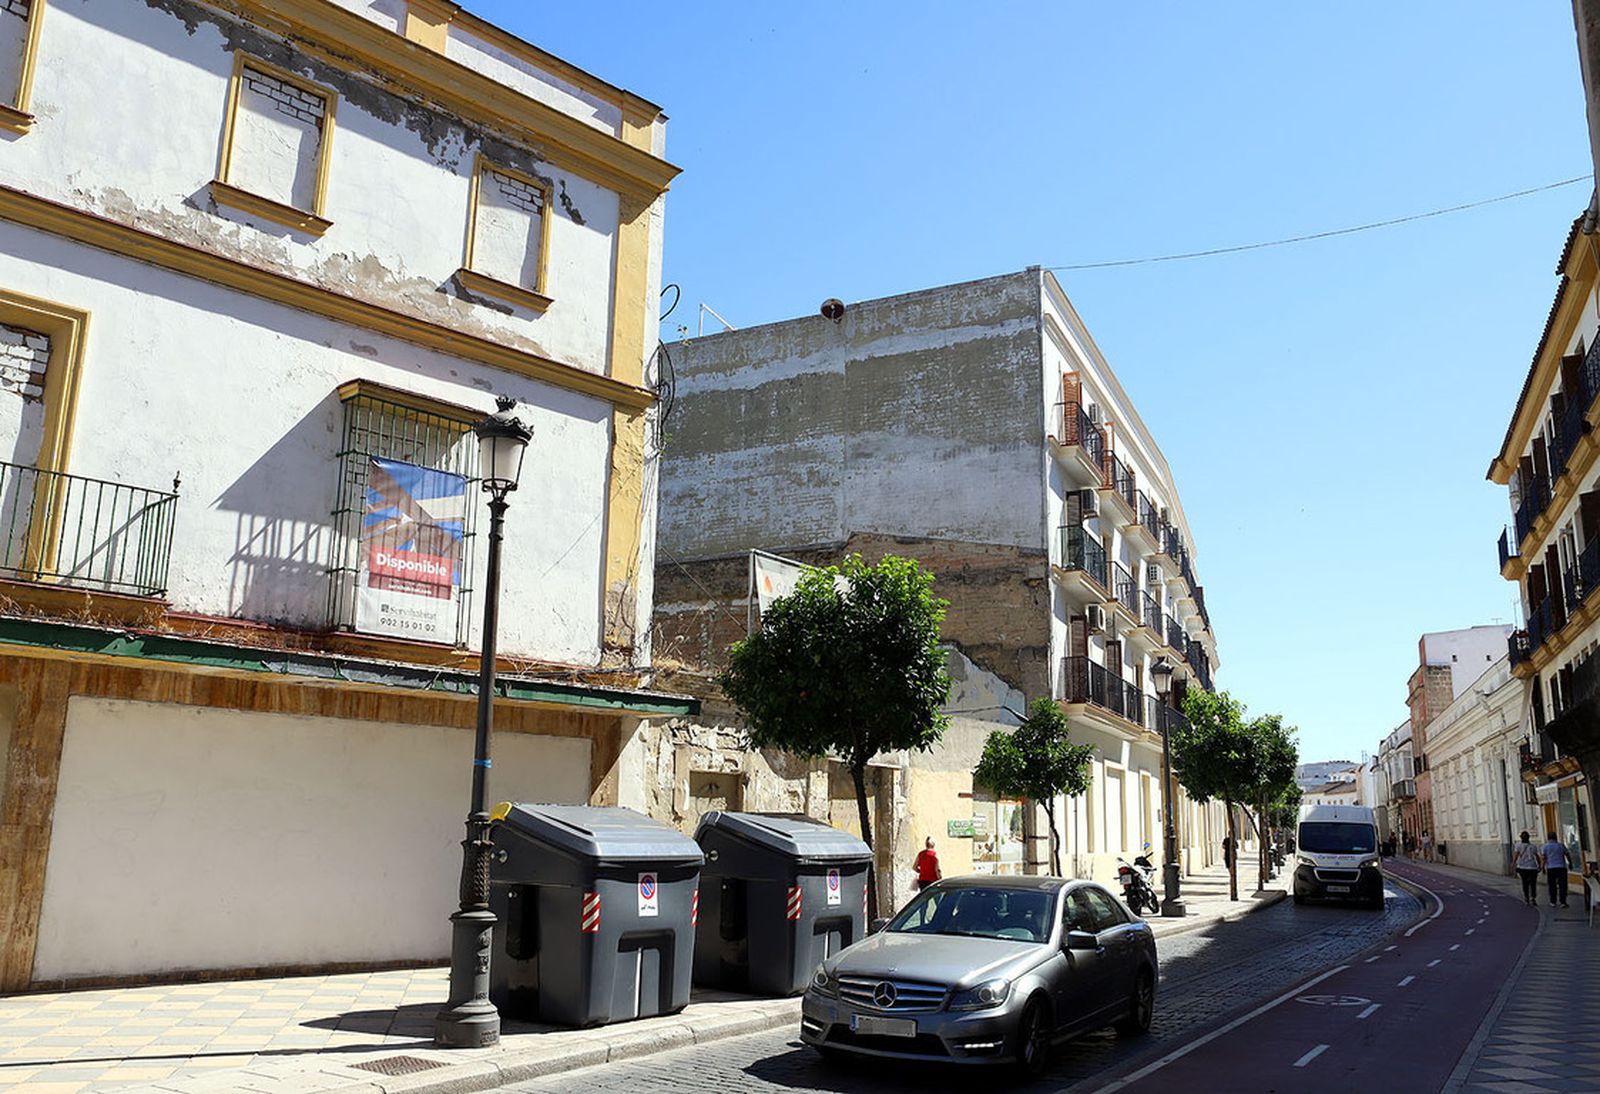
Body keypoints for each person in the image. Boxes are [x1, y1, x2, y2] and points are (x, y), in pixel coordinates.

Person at [1540, 831, 1571, 908]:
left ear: (1548, 838)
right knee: (1563, 885)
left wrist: (1542, 867)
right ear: (1555, 837)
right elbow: (1567, 854)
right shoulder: (1560, 845)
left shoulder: (1545, 847)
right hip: (1561, 867)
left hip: (1551, 868)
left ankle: (1553, 901)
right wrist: (1570, 863)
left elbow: (1544, 858)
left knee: (1552, 885)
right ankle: (1563, 901)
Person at [1511, 830, 1541, 906]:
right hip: (1532, 867)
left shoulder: (1518, 846)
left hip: (1522, 867)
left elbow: (1515, 856)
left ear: (1521, 838)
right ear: (1529, 838)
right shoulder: (1533, 846)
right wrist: (1540, 865)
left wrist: (1513, 865)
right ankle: (1533, 897)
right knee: (1533, 883)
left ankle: (1526, 898)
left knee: (1525, 883)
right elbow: (1537, 857)